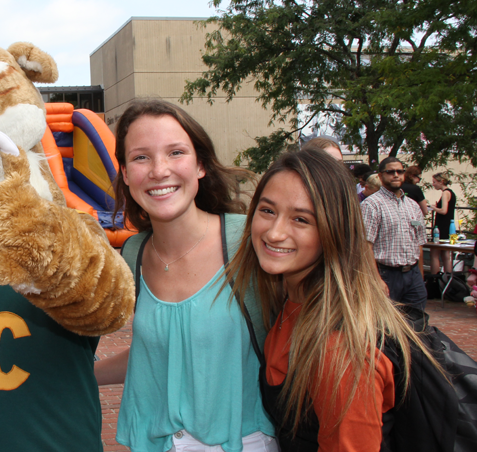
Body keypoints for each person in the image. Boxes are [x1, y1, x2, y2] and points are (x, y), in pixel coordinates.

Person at [227, 149, 440, 451]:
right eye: (268, 211)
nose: (274, 233)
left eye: (301, 219)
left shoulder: (341, 351)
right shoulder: (292, 300)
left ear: (335, 230)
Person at [94, 99, 277, 452]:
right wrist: (82, 376)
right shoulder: (133, 254)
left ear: (201, 166)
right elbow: (161, 352)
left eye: (176, 152)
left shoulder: (248, 240)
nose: (159, 170)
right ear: (126, 173)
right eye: (141, 157)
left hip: (243, 441)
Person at [360, 157, 428, 310]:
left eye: (400, 171)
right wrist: (376, 279)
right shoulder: (371, 205)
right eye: (390, 172)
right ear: (380, 176)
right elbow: (365, 246)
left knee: (417, 326)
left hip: (413, 274)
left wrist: (420, 277)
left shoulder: (413, 206)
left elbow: (419, 244)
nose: (396, 175)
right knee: (385, 328)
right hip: (386, 274)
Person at [429, 172, 457, 275]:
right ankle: (448, 277)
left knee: (435, 253)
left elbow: (444, 210)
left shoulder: (445, 193)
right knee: (445, 253)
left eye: (434, 182)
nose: (433, 184)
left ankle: (434, 277)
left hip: (442, 226)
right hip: (448, 225)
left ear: (441, 182)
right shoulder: (451, 193)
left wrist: (434, 208)